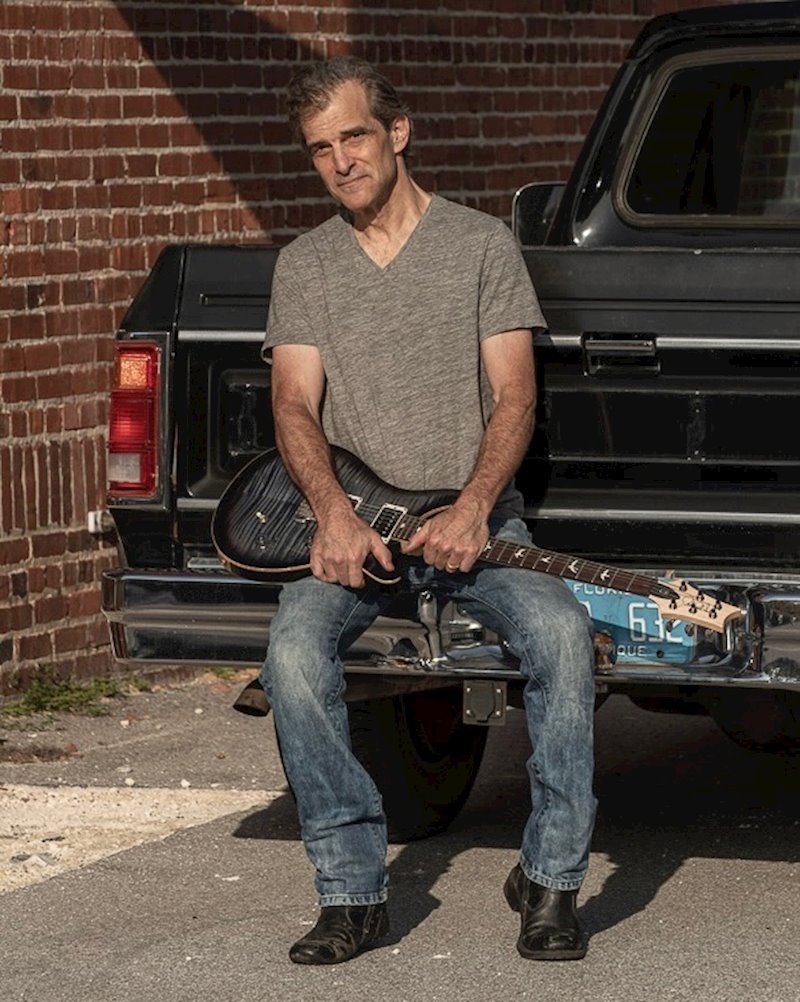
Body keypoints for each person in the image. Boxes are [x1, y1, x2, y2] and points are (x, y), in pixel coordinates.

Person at [253, 56, 597, 966]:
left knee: (562, 635)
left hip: (476, 527)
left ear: (397, 133)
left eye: (354, 137)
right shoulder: (305, 265)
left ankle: (552, 880)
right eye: (319, 149)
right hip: (361, 532)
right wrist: (332, 514)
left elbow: (515, 396)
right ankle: (352, 893)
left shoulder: (480, 246)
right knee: (292, 654)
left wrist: (476, 507)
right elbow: (293, 404)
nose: (340, 162)